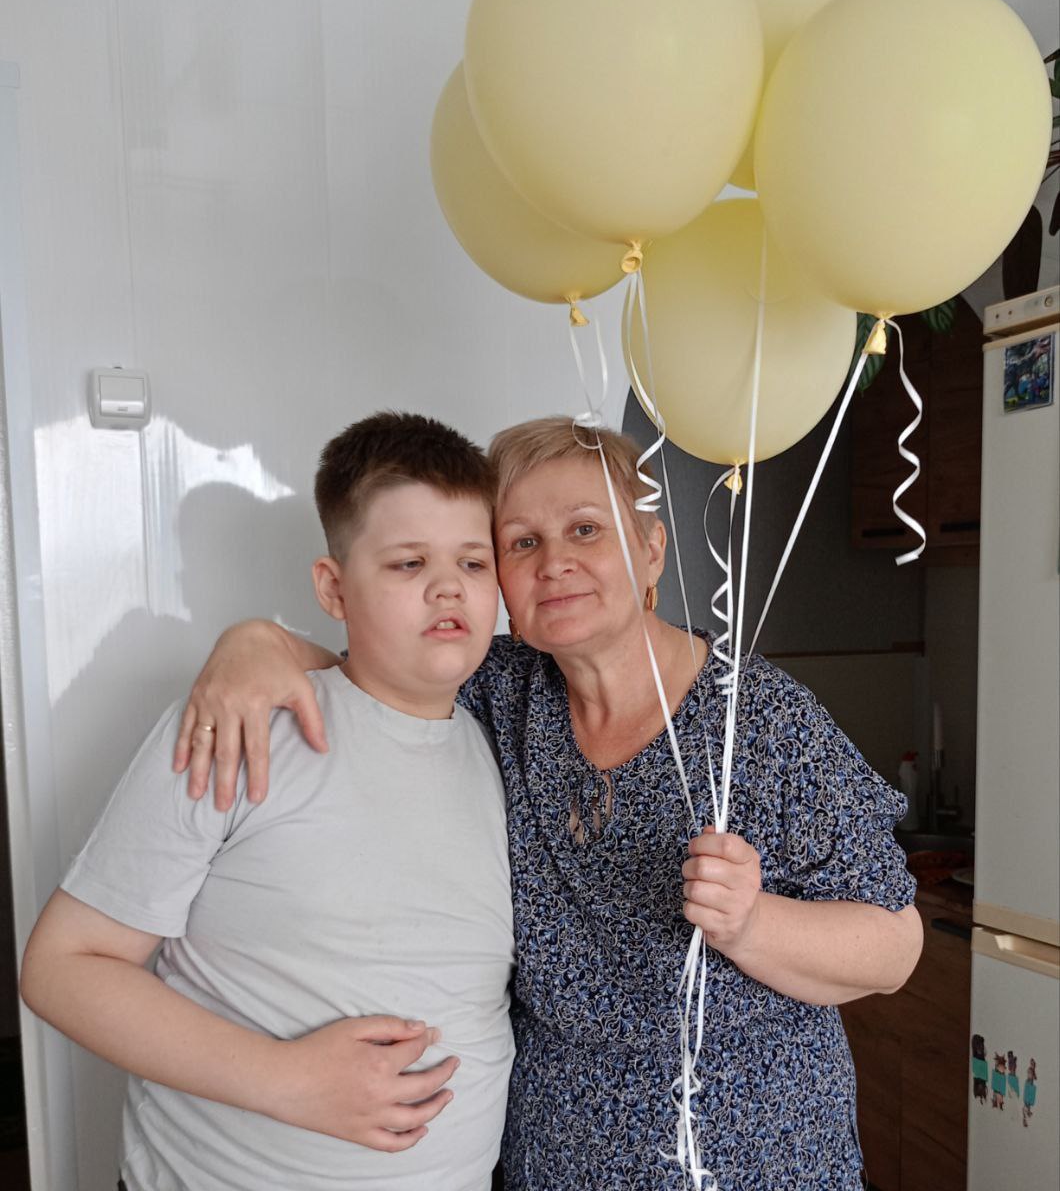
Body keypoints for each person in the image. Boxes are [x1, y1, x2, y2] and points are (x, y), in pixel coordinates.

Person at [174, 416, 924, 1190]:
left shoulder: (762, 718)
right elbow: (377, 665)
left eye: (585, 530)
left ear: (651, 550)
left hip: (755, 1160)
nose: (554, 562)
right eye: (523, 542)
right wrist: (255, 642)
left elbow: (895, 947)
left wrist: (753, 923)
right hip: (551, 1161)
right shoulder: (500, 688)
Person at [20, 412, 515, 1191]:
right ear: (333, 588)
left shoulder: (498, 746)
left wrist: (265, 635)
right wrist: (289, 1080)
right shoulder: (244, 724)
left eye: (474, 562)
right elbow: (63, 967)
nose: (448, 586)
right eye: (408, 562)